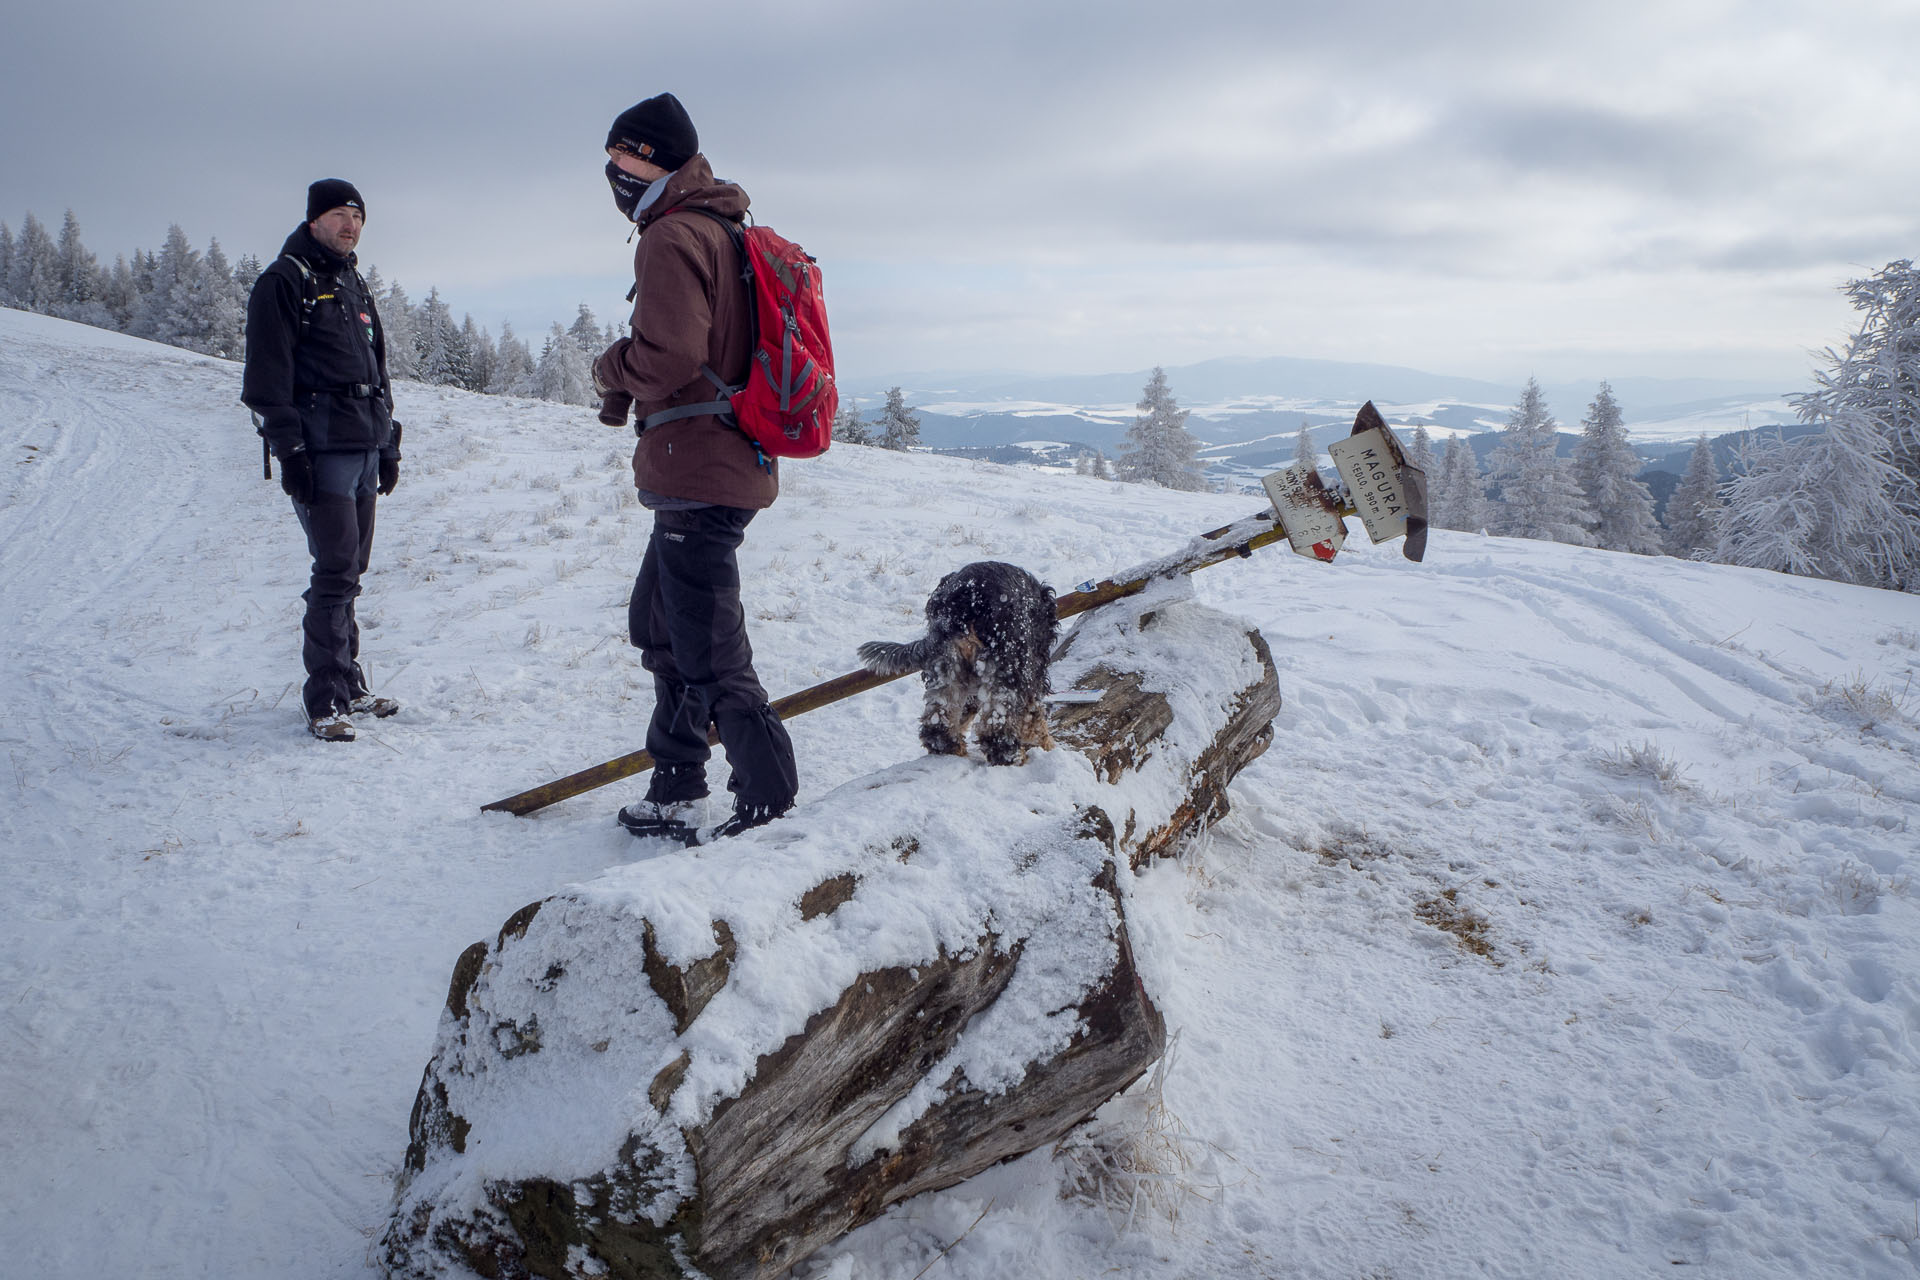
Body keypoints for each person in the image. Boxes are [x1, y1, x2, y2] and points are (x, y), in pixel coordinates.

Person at [591, 92, 798, 844]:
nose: (612, 171)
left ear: (653, 159)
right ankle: (678, 782)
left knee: (708, 645)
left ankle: (769, 803)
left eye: (622, 157)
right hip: (720, 458)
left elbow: (669, 355)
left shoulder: (672, 235)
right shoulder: (722, 226)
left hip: (698, 465)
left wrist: (607, 363)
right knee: (663, 622)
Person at [242, 179, 403, 743]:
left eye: (357, 217)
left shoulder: (353, 283)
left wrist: (390, 443)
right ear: (314, 220)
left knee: (350, 573)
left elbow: (377, 371)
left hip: (362, 444)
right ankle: (325, 700)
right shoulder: (285, 281)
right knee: (334, 572)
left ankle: (350, 686)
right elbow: (265, 382)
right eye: (339, 215)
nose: (350, 226)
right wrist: (291, 452)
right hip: (322, 449)